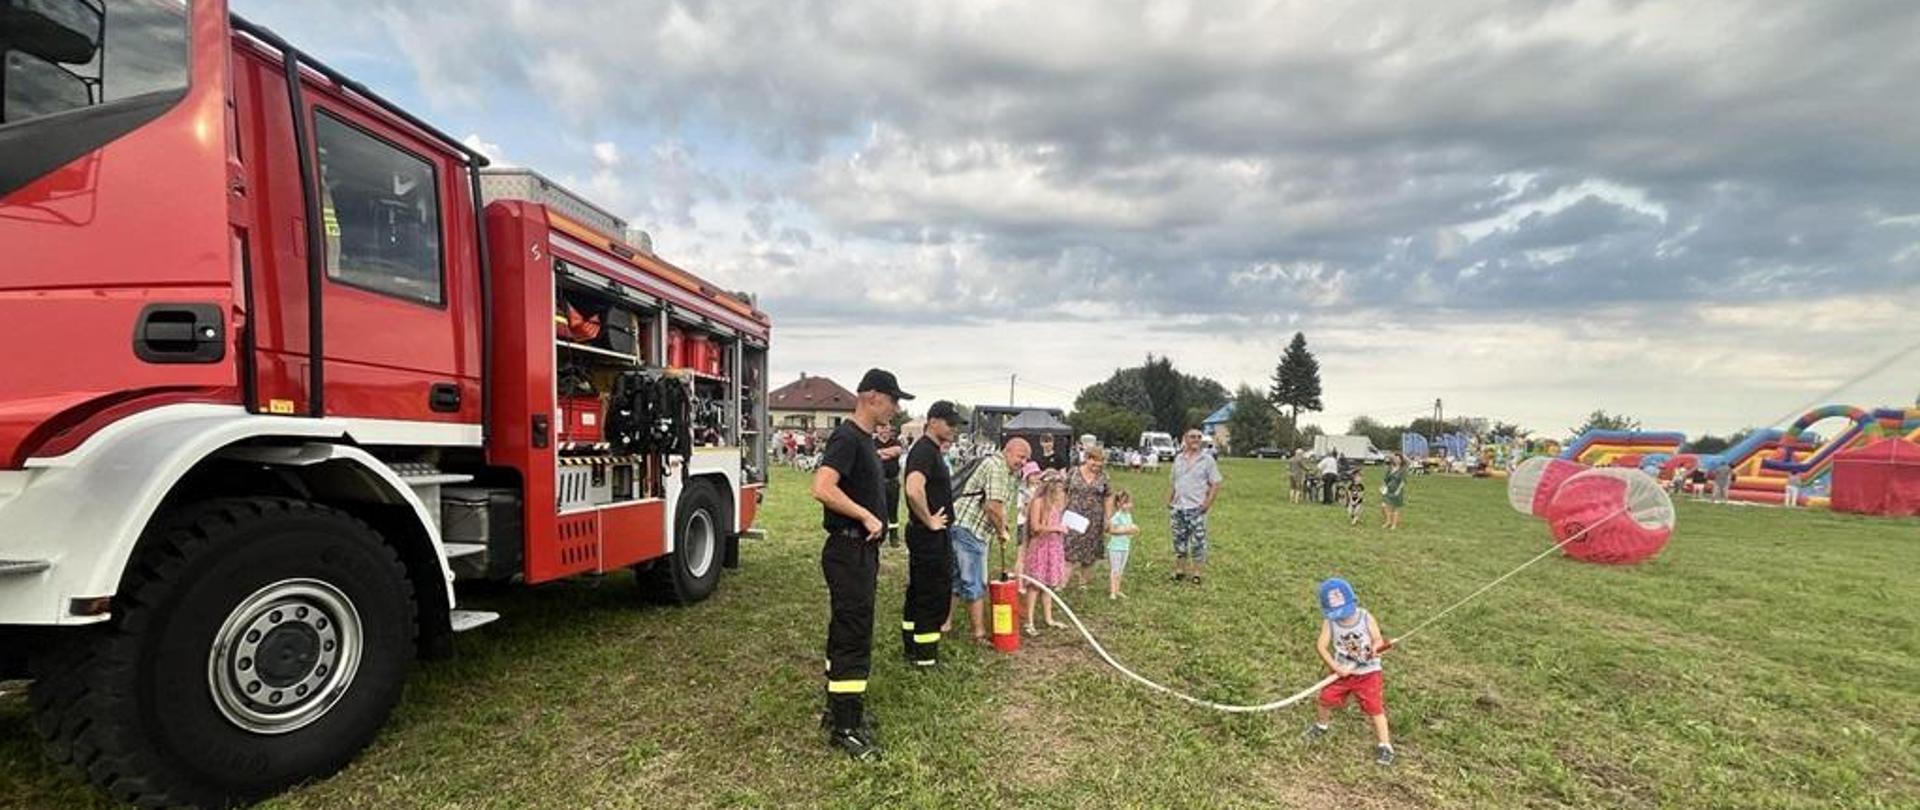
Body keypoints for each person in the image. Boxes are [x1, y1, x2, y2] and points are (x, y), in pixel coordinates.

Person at [809, 368, 911, 760]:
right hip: (848, 550)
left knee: (847, 629)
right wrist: (867, 516)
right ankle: (846, 728)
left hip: (859, 553)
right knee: (853, 633)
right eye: (893, 399)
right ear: (871, 396)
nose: (896, 408)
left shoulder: (865, 440)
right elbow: (822, 487)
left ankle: (839, 712)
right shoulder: (847, 437)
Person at [1302, 578, 1395, 766]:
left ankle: (1385, 745)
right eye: (1336, 613)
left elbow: (1377, 639)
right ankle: (1321, 725)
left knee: (1374, 707)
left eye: (1344, 611)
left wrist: (1374, 648)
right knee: (1325, 698)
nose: (1341, 616)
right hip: (1342, 672)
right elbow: (1321, 646)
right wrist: (1336, 668)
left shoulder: (1365, 617)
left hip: (1368, 674)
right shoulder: (1331, 622)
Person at [949, 437, 1031, 644]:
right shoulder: (996, 467)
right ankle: (979, 634)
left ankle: (945, 624)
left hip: (961, 526)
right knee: (975, 581)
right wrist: (1001, 530)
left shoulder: (1007, 470)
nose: (1022, 462)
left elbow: (997, 507)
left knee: (956, 580)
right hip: (969, 529)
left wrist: (1003, 524)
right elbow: (992, 507)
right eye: (1020, 457)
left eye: (1026, 459)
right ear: (1008, 451)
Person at [900, 401, 963, 668]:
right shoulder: (925, 451)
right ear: (933, 421)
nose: (953, 429)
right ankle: (926, 658)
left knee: (917, 592)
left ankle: (912, 646)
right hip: (929, 536)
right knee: (932, 593)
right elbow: (914, 490)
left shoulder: (930, 450)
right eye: (949, 424)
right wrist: (930, 521)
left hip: (924, 535)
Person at [1168, 428, 1223, 585]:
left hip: (1197, 508)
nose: (1196, 439)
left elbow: (1215, 483)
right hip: (1178, 507)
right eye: (1193, 436)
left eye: (1199, 437)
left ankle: (1197, 573)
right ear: (1185, 439)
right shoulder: (1178, 459)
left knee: (1198, 542)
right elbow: (1174, 481)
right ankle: (1180, 570)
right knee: (1179, 540)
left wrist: (1207, 503)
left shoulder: (1207, 460)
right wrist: (1170, 500)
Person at [1019, 471, 1071, 635]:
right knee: (1035, 585)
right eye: (1060, 488)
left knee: (1048, 584)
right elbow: (1035, 527)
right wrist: (1056, 528)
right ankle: (1029, 621)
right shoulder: (1038, 502)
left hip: (1054, 547)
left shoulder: (1057, 504)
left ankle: (1049, 619)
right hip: (1041, 547)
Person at [1063, 446, 1114, 590]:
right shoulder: (1073, 472)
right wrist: (1060, 510)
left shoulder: (1104, 476)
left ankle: (1083, 583)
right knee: (1069, 550)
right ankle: (1062, 582)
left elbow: (1109, 496)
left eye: (1100, 462)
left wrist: (1107, 517)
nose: (1097, 466)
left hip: (1095, 519)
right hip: (1073, 517)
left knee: (1090, 552)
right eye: (1094, 462)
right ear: (1087, 459)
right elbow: (1063, 490)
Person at [1106, 490, 1140, 600]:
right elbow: (1112, 530)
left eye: (1129, 502)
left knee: (1121, 569)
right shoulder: (1116, 517)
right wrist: (1127, 530)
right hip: (1115, 547)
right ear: (1118, 504)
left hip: (1125, 546)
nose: (1129, 505)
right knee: (1115, 569)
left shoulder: (1128, 516)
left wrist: (1133, 531)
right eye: (1125, 502)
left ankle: (1117, 589)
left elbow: (1130, 528)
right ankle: (1112, 591)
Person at [876, 423, 905, 547]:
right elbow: (872, 455)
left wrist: (880, 453)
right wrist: (887, 453)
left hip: (892, 481)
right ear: (877, 429)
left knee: (893, 510)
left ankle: (894, 537)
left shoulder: (896, 442)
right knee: (878, 509)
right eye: (881, 428)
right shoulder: (872, 442)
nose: (884, 430)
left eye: (886, 427)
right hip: (877, 482)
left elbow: (897, 451)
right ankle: (879, 536)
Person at [1381, 453, 1408, 530]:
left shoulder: (1402, 470)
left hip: (1397, 491)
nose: (1396, 460)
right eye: (1395, 458)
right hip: (1388, 490)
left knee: (1395, 508)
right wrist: (1383, 486)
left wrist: (1398, 490)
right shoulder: (1390, 468)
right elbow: (1385, 479)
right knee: (1384, 506)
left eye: (1398, 458)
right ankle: (1388, 521)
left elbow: (1403, 482)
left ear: (1401, 460)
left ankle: (1394, 524)